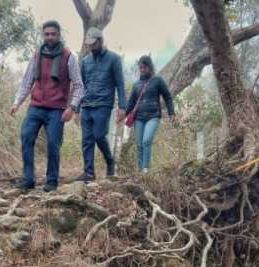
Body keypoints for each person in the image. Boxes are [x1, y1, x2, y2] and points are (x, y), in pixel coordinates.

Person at [11, 20, 84, 193]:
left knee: (53, 143)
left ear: (59, 35)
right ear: (43, 35)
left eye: (53, 34)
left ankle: (51, 181)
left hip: (57, 109)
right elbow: (27, 82)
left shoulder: (69, 57)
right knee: (26, 136)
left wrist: (72, 108)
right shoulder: (37, 55)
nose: (50, 37)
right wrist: (16, 102)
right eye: (47, 34)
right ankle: (28, 179)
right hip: (36, 106)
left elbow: (80, 86)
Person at [76, 27, 126, 181]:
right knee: (86, 139)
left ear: (101, 41)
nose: (91, 46)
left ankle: (110, 161)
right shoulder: (85, 61)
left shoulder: (114, 59)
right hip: (86, 104)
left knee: (98, 135)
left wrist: (122, 107)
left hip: (104, 104)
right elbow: (81, 85)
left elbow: (120, 84)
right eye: (88, 44)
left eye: (93, 43)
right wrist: (76, 108)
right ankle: (89, 173)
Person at [125, 56, 175, 174]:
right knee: (139, 144)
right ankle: (140, 170)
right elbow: (131, 102)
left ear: (150, 67)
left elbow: (167, 96)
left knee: (146, 140)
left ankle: (146, 169)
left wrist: (171, 113)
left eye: (144, 67)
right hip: (139, 118)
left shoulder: (157, 80)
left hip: (153, 116)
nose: (142, 69)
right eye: (140, 67)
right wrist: (124, 115)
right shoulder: (136, 84)